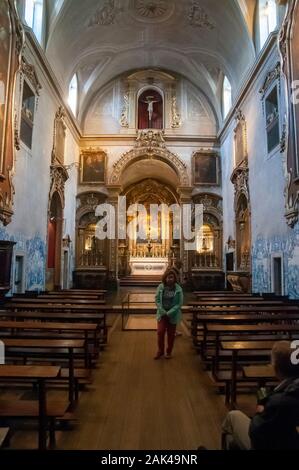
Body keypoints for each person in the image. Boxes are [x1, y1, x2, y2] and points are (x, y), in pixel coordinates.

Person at [222, 341, 299, 450]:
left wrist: (260, 410)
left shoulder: (278, 401)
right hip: (290, 440)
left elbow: (255, 430)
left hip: (270, 444)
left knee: (233, 415)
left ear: (276, 368)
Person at [154, 268, 184, 360]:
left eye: (171, 277)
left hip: (173, 314)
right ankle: (160, 350)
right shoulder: (160, 287)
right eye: (168, 277)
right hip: (162, 314)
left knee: (171, 334)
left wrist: (170, 312)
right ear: (165, 278)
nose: (169, 279)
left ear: (174, 278)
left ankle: (169, 351)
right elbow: (157, 300)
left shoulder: (178, 289)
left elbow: (179, 303)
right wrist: (162, 311)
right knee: (160, 332)